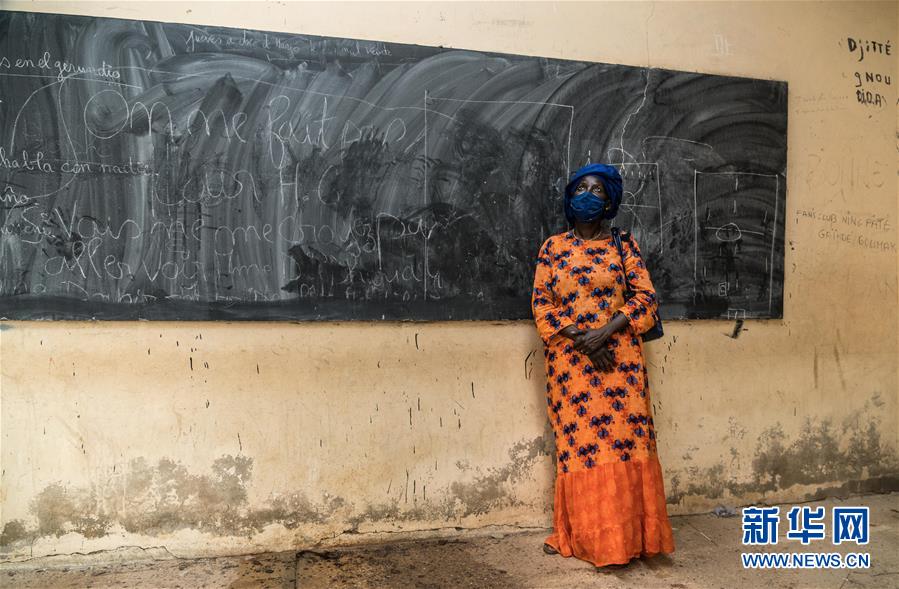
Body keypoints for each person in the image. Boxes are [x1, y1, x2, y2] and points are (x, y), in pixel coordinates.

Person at [531, 163, 676, 571]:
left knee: (626, 445)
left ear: (609, 201)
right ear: (570, 197)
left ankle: (632, 539)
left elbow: (645, 299)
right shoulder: (552, 248)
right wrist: (585, 340)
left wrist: (605, 332)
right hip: (572, 367)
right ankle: (583, 536)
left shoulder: (623, 245)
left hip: (621, 365)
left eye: (597, 190)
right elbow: (542, 305)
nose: (589, 195)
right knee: (580, 450)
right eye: (581, 188)